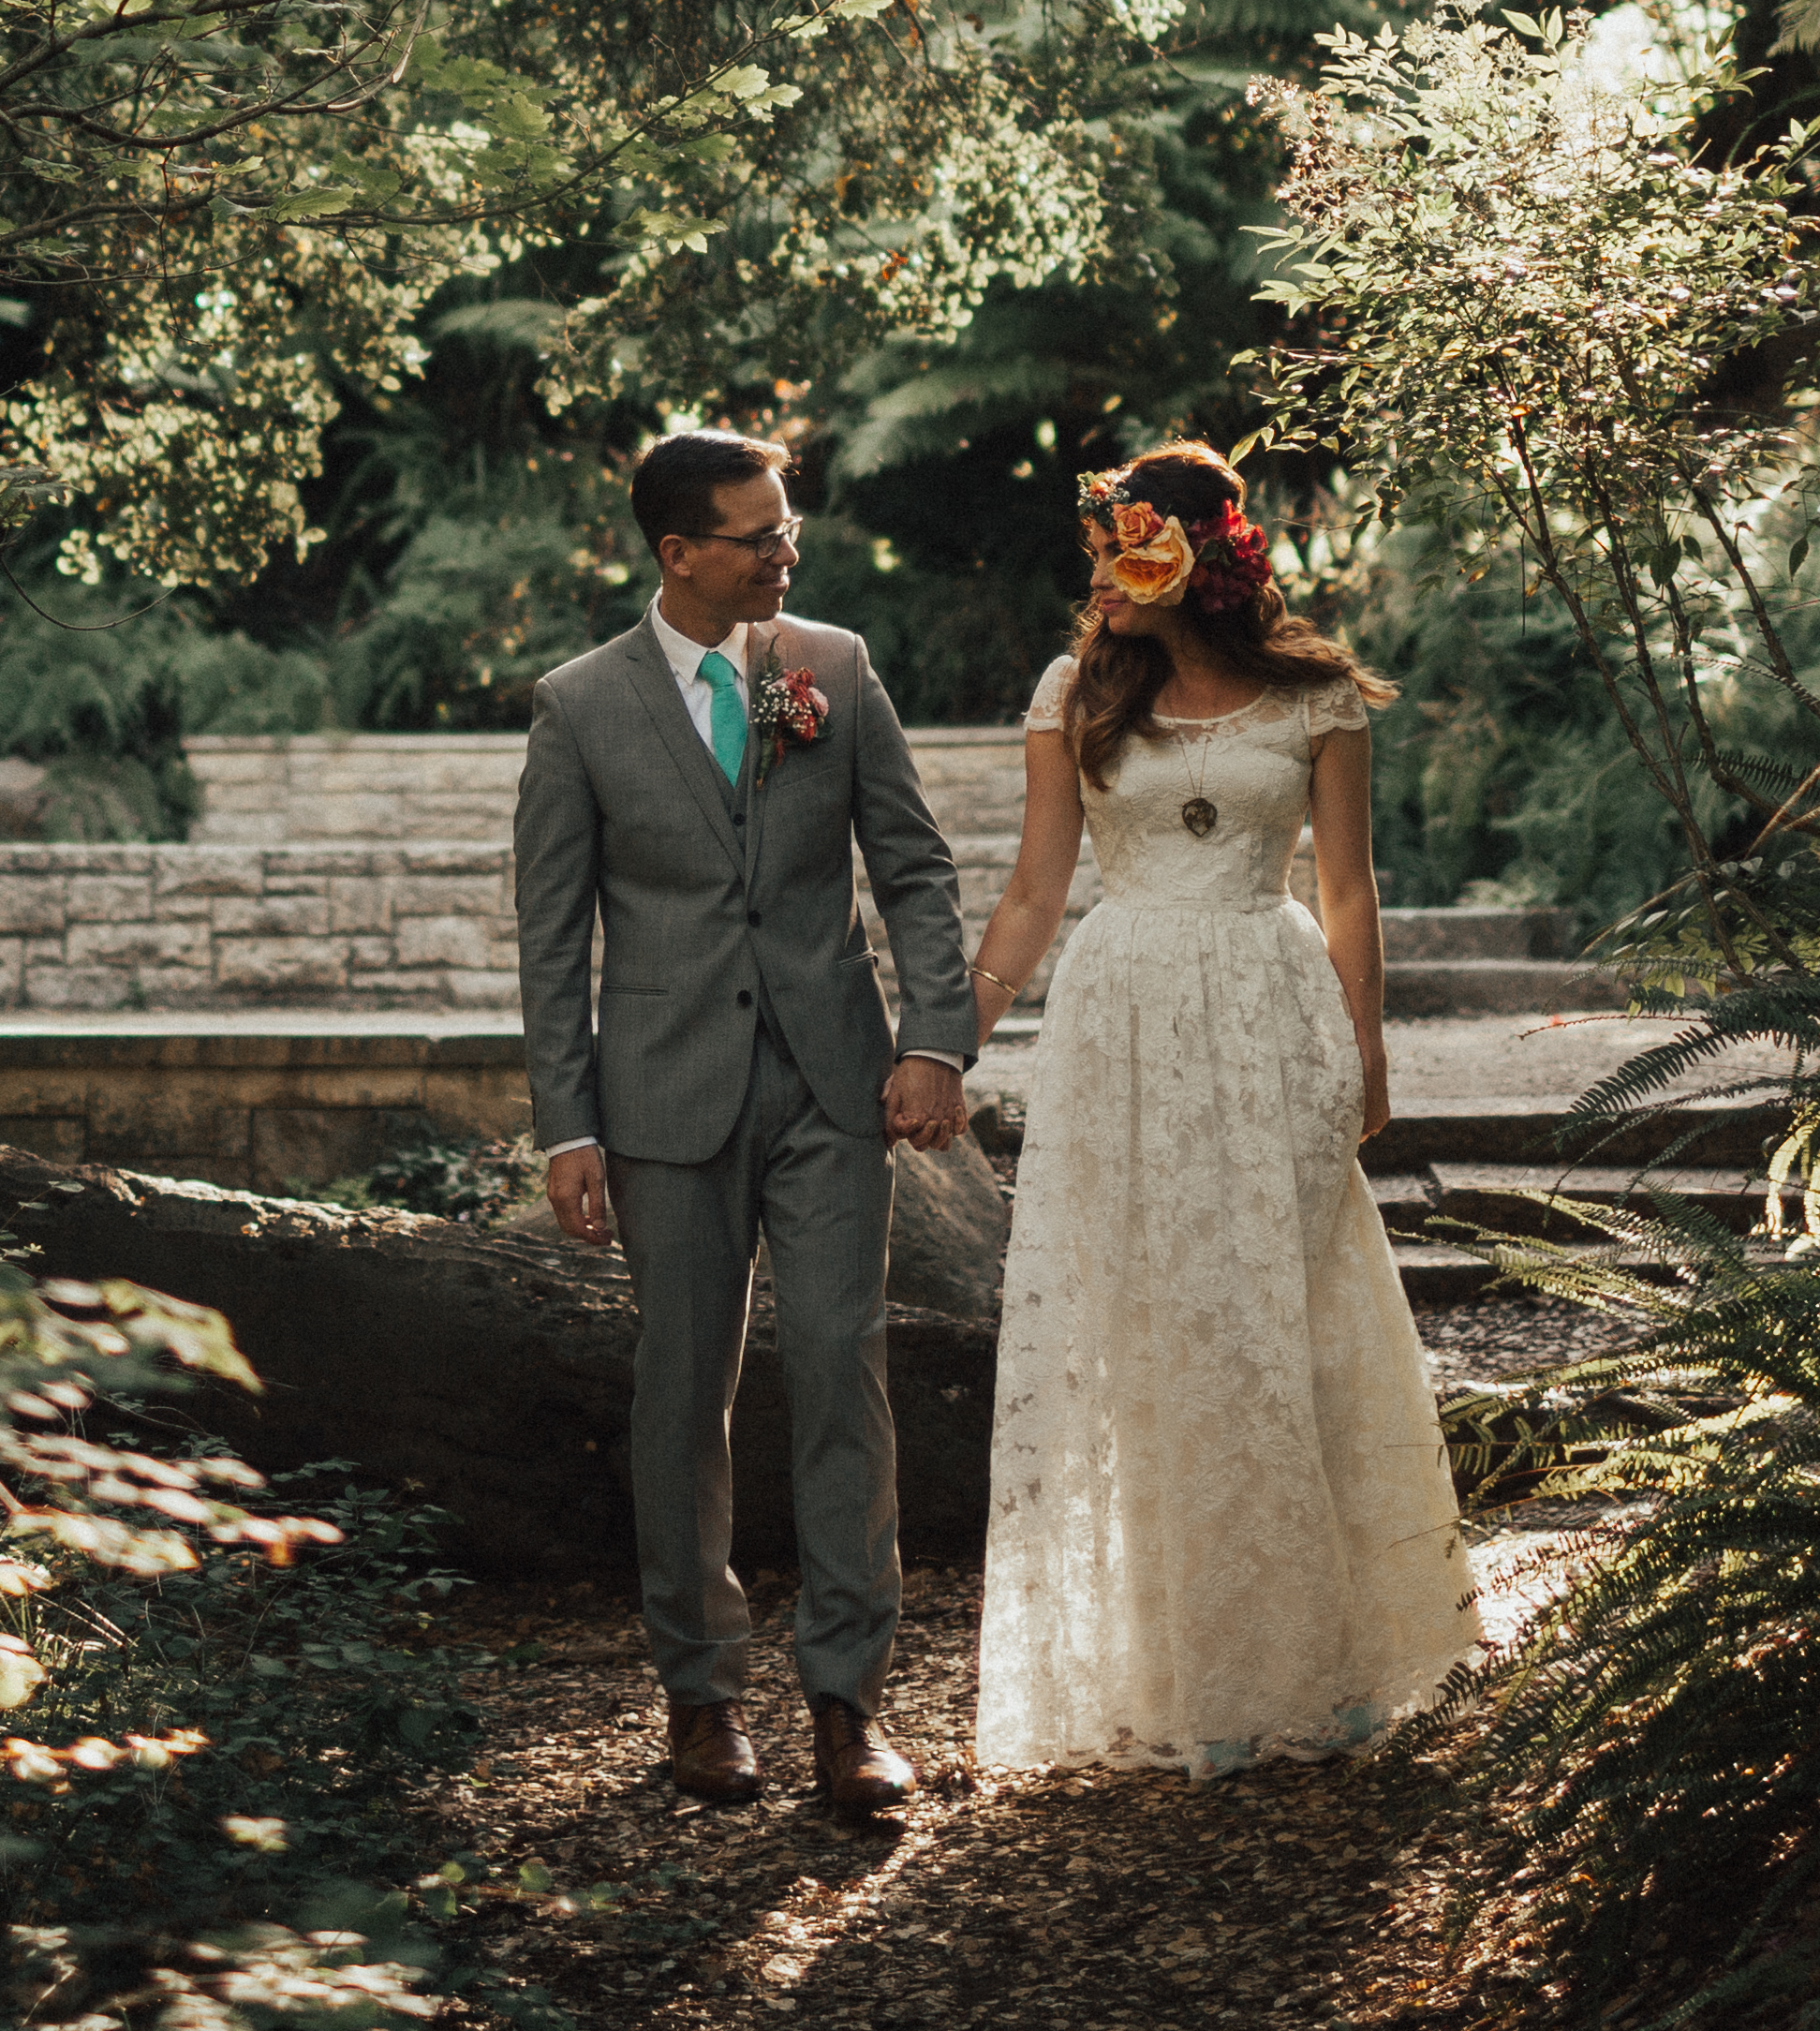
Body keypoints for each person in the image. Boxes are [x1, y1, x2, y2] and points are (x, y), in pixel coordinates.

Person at [960, 440, 1478, 1773]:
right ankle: (1182, 1665)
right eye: (1097, 554)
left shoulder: (1316, 699)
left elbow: (1351, 890)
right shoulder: (1076, 693)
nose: (1102, 579)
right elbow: (1031, 892)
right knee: (1151, 1335)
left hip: (1267, 1011)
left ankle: (1325, 1656)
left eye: (1123, 549)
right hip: (1120, 1022)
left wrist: (1368, 1053)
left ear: (1197, 555)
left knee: (1285, 1321)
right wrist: (945, 1041)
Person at [513, 426, 982, 1816]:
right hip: (663, 1100)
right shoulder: (580, 706)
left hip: (834, 1087)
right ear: (679, 554)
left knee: (845, 1369)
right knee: (683, 1398)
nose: (790, 552)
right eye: (761, 535)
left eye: (790, 530)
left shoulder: (828, 670)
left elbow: (915, 867)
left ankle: (849, 1704)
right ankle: (701, 1696)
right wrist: (566, 1124)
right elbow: (553, 938)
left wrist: (936, 1042)